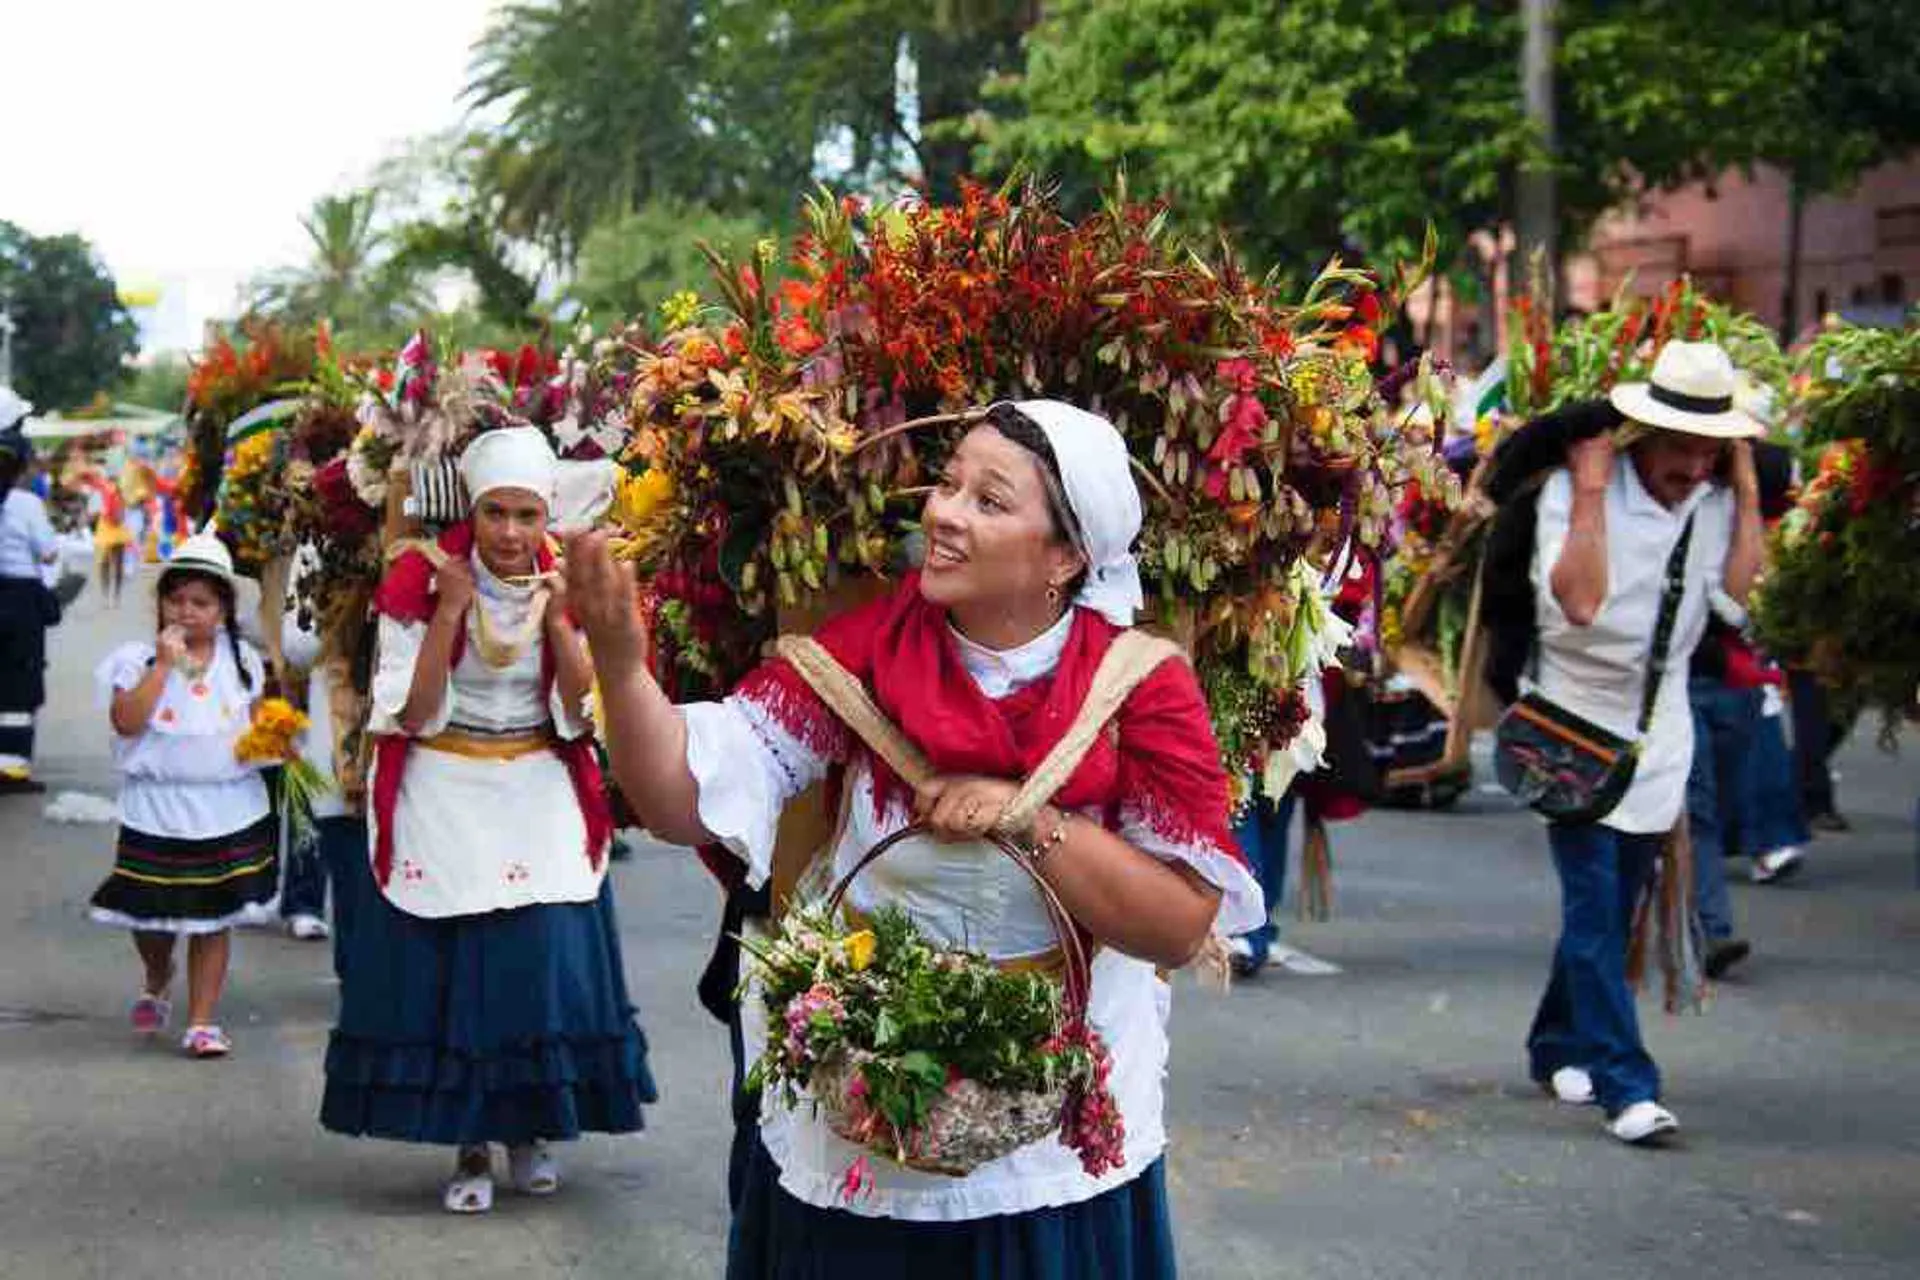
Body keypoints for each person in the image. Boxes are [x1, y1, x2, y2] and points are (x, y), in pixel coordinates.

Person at [569, 400, 1263, 1278]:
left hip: (1046, 1153)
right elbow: (682, 799)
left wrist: (1030, 820)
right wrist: (625, 671)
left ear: (1066, 556)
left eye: (990, 500)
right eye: (948, 482)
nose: (945, 512)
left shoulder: (1139, 686)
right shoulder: (862, 652)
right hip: (861, 1116)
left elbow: (1176, 923)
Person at [318, 426, 657, 1215]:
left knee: (537, 962)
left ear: (546, 520)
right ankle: (469, 1143)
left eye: (526, 516)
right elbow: (417, 712)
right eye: (497, 513)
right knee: (459, 972)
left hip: (538, 782)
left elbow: (582, 714)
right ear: (475, 512)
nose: (510, 532)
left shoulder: (566, 580)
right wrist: (450, 616)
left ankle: (530, 1131)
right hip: (445, 783)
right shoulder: (420, 578)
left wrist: (559, 624)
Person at [1524, 341, 1764, 1146]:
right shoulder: (1572, 491)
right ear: (1644, 435)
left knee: (1617, 907)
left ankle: (1555, 1041)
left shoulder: (1716, 501)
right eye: (1682, 447)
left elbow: (1736, 596)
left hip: (1660, 735)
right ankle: (1626, 1085)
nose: (1693, 465)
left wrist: (1748, 486)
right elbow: (1582, 603)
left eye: (1710, 450)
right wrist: (1592, 488)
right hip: (1570, 727)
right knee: (1595, 908)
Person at [89, 534, 279, 1058]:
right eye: (177, 601)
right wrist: (164, 666)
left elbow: (259, 726)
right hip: (156, 808)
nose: (187, 612)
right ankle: (157, 969)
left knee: (213, 916)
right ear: (161, 605)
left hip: (223, 805)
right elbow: (127, 722)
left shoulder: (244, 662)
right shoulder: (136, 659)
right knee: (149, 914)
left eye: (201, 603)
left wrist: (276, 737)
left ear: (222, 610)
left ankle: (201, 1021)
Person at [0, 405, 61, 794]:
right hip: (21, 602)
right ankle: (11, 769)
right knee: (19, 689)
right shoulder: (26, 504)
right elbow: (50, 552)